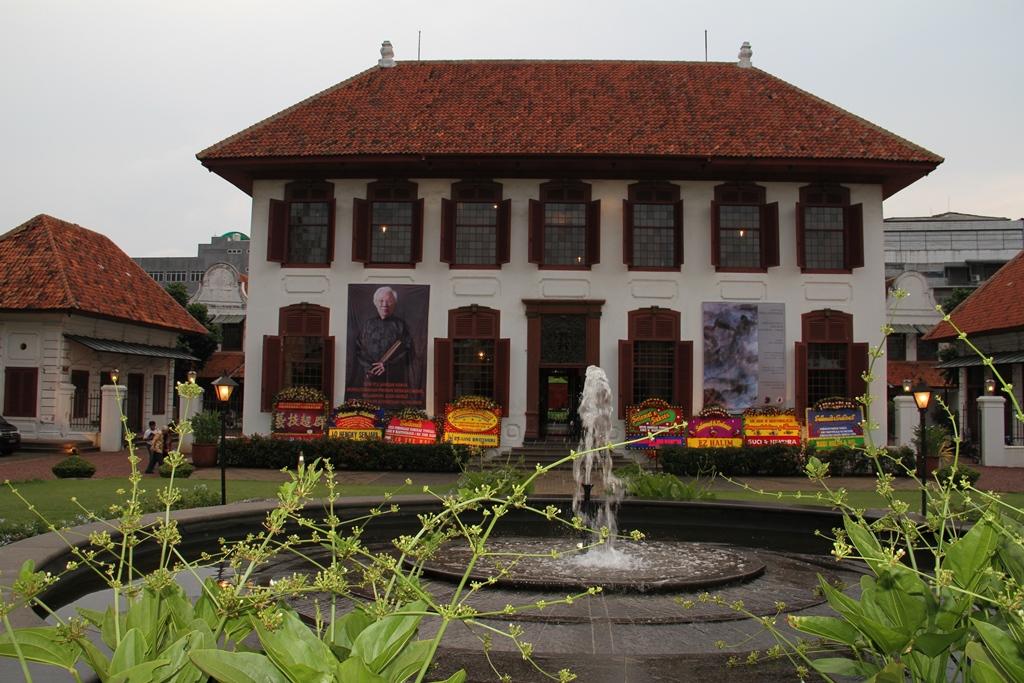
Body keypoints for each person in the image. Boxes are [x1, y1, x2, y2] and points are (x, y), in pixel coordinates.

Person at [351, 286, 415, 388]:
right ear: (375, 303)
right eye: (381, 301)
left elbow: (408, 350)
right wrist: (372, 367)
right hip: (370, 377)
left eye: (389, 301)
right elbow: (359, 348)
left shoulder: (401, 325)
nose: (384, 305)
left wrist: (387, 365)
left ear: (394, 304)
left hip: (394, 379)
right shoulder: (367, 325)